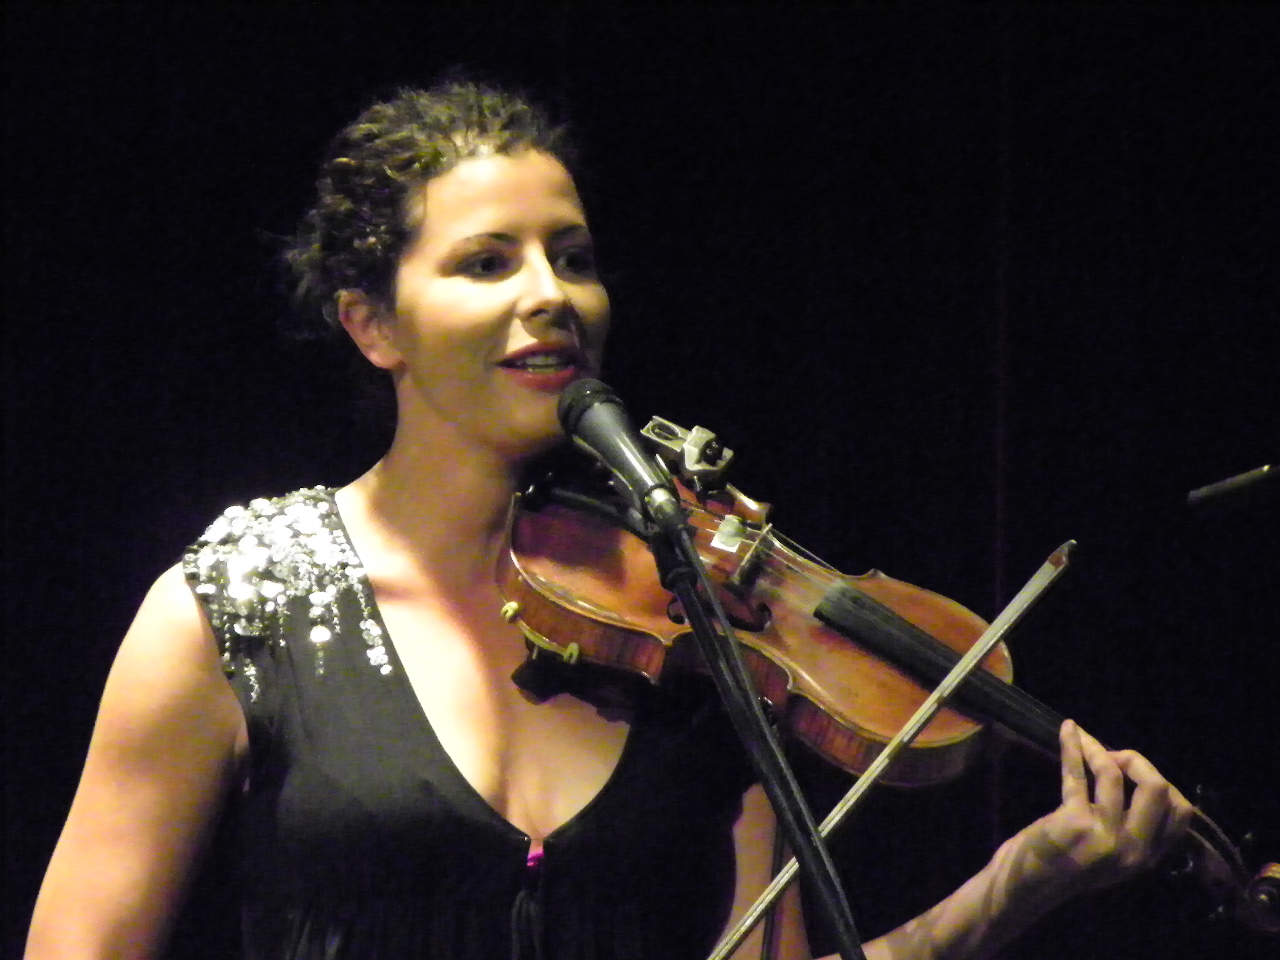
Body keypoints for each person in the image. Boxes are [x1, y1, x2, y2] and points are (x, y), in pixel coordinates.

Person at [25, 81, 1194, 960]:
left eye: (571, 257)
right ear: (371, 325)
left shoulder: (688, 625)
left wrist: (1018, 883)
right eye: (487, 262)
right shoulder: (238, 606)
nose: (552, 294)